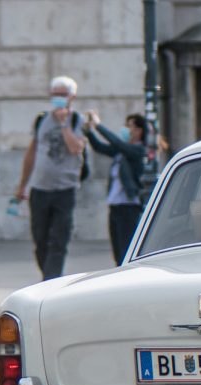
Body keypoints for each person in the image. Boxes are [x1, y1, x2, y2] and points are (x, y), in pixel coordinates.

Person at [15, 75, 87, 280]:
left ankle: (50, 280)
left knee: (59, 239)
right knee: (40, 239)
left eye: (62, 95)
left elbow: (75, 149)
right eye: (55, 94)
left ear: (72, 97)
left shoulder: (77, 120)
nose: (58, 98)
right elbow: (32, 153)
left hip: (65, 189)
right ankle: (48, 275)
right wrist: (22, 185)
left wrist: (64, 124)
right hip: (40, 188)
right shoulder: (41, 119)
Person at [83, 110, 147, 263]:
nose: (125, 129)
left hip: (129, 207)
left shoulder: (138, 150)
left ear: (138, 131)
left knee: (126, 251)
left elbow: (116, 143)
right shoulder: (122, 151)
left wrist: (99, 126)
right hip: (115, 206)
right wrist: (88, 132)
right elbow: (100, 147)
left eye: (129, 126)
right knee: (118, 252)